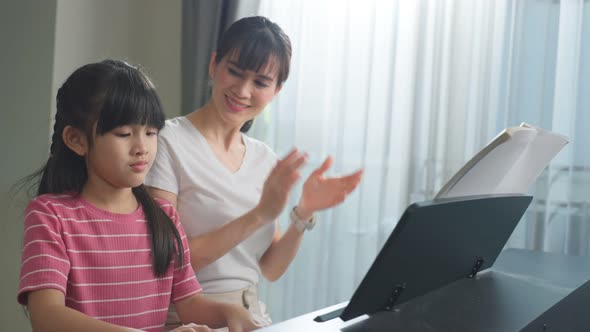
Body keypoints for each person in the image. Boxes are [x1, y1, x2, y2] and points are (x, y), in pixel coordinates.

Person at [145, 16, 363, 326]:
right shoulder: (167, 141)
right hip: (189, 322)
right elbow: (170, 260)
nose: (243, 90)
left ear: (276, 90)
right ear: (213, 65)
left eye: (260, 82)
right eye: (234, 72)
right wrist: (259, 214)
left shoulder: (264, 158)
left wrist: (304, 213)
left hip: (251, 317)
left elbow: (269, 267)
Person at [16, 60, 261, 332]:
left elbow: (191, 303)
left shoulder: (163, 217)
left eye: (151, 132)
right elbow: (47, 316)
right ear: (77, 140)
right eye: (124, 134)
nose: (142, 147)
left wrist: (231, 312)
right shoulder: (50, 215)